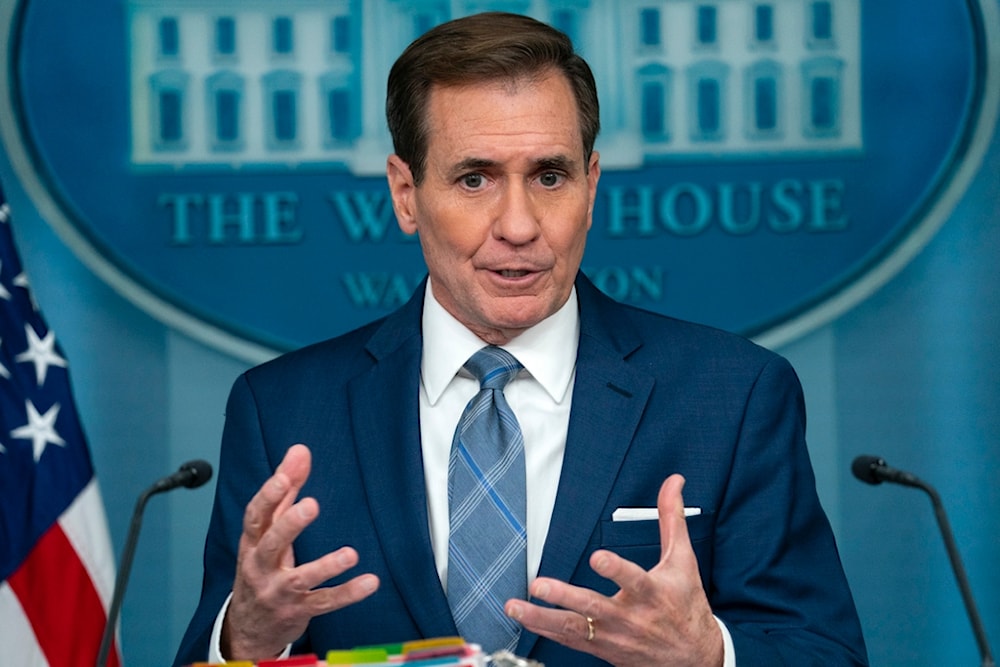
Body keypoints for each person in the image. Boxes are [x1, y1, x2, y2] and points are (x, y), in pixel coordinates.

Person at [175, 12, 868, 666]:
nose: (518, 224)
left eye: (549, 176)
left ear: (591, 187)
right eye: (474, 179)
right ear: (405, 193)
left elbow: (824, 651)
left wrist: (707, 653)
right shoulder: (284, 410)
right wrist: (243, 638)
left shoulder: (734, 394)